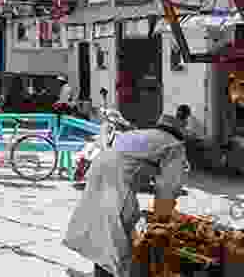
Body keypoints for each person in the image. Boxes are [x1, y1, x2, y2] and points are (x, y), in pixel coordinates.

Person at [64, 113, 189, 277]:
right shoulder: (174, 145)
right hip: (118, 179)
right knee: (118, 228)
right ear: (179, 134)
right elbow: (168, 187)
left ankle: (101, 274)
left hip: (99, 169)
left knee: (103, 227)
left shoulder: (141, 134)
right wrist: (161, 220)